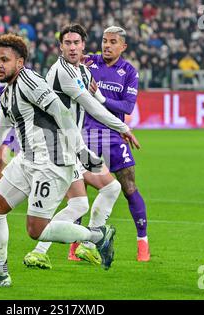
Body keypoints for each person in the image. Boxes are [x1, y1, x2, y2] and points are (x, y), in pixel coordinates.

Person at [0, 34, 117, 288]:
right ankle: (0, 275)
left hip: (52, 162)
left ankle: (97, 235)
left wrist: (81, 151)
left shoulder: (29, 80)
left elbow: (61, 112)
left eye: (4, 60)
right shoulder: (7, 93)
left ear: (19, 62)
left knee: (36, 229)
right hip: (27, 160)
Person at [23, 24, 140, 269]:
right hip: (55, 146)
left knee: (106, 190)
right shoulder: (61, 71)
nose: (73, 47)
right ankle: (52, 248)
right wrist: (123, 128)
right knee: (78, 202)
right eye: (68, 43)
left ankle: (81, 246)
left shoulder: (83, 72)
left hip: (70, 145)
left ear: (84, 46)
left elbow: (92, 102)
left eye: (77, 43)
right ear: (60, 47)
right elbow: (92, 105)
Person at [84, 26, 150, 262]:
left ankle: (143, 242)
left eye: (113, 42)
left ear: (123, 47)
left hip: (113, 136)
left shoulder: (129, 72)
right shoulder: (88, 62)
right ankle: (76, 245)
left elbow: (127, 107)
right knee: (76, 189)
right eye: (104, 41)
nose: (107, 45)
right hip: (87, 135)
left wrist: (101, 97)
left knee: (129, 187)